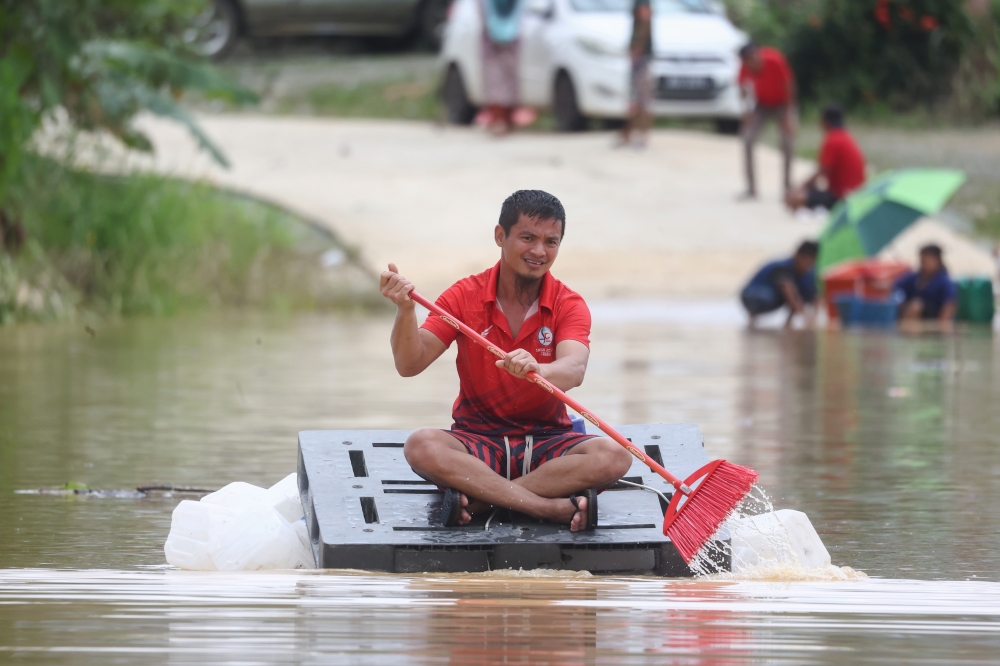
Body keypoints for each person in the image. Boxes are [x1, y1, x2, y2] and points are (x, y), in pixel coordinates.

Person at [379, 190, 633, 531]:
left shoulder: (568, 303)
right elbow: (410, 364)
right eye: (527, 238)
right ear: (501, 236)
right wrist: (405, 310)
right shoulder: (463, 295)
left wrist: (539, 369)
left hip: (548, 441)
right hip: (477, 440)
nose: (539, 251)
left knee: (615, 455)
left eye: (551, 241)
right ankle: (546, 508)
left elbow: (574, 369)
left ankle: (482, 502)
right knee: (421, 446)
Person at [737, 42, 797, 201]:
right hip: (762, 104)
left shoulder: (774, 60)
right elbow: (742, 88)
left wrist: (787, 117)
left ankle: (787, 187)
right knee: (748, 139)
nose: (753, 63)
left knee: (787, 142)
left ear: (757, 54)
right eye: (749, 61)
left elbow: (789, 85)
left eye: (754, 58)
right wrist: (746, 110)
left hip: (783, 104)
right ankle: (751, 189)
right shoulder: (744, 67)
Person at [786, 104, 866, 212]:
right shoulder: (845, 136)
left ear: (825, 121)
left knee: (794, 199)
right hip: (855, 192)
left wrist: (800, 188)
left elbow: (823, 171)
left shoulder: (833, 139)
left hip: (842, 196)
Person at [740, 241, 818, 328]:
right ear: (798, 255)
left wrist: (813, 317)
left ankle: (788, 322)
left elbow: (816, 296)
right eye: (807, 259)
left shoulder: (808, 274)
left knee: (805, 289)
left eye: (812, 261)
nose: (809, 264)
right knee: (786, 292)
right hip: (753, 295)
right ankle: (752, 319)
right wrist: (805, 317)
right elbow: (789, 293)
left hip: (773, 296)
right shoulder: (783, 267)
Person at [479, 0, 524, 135]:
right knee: (503, 78)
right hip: (507, 33)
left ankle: (503, 119)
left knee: (498, 79)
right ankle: (502, 119)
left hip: (499, 32)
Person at [618, 0, 653, 148]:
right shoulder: (638, 17)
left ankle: (640, 135)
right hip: (639, 61)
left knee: (641, 100)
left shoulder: (643, 13)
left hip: (641, 61)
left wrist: (636, 51)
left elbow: (644, 23)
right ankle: (629, 133)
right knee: (636, 99)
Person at [894, 244, 957, 325]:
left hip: (933, 321)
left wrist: (942, 327)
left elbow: (948, 307)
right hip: (910, 317)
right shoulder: (913, 278)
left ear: (937, 260)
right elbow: (893, 287)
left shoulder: (944, 282)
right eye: (921, 260)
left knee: (916, 306)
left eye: (925, 260)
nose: (922, 263)